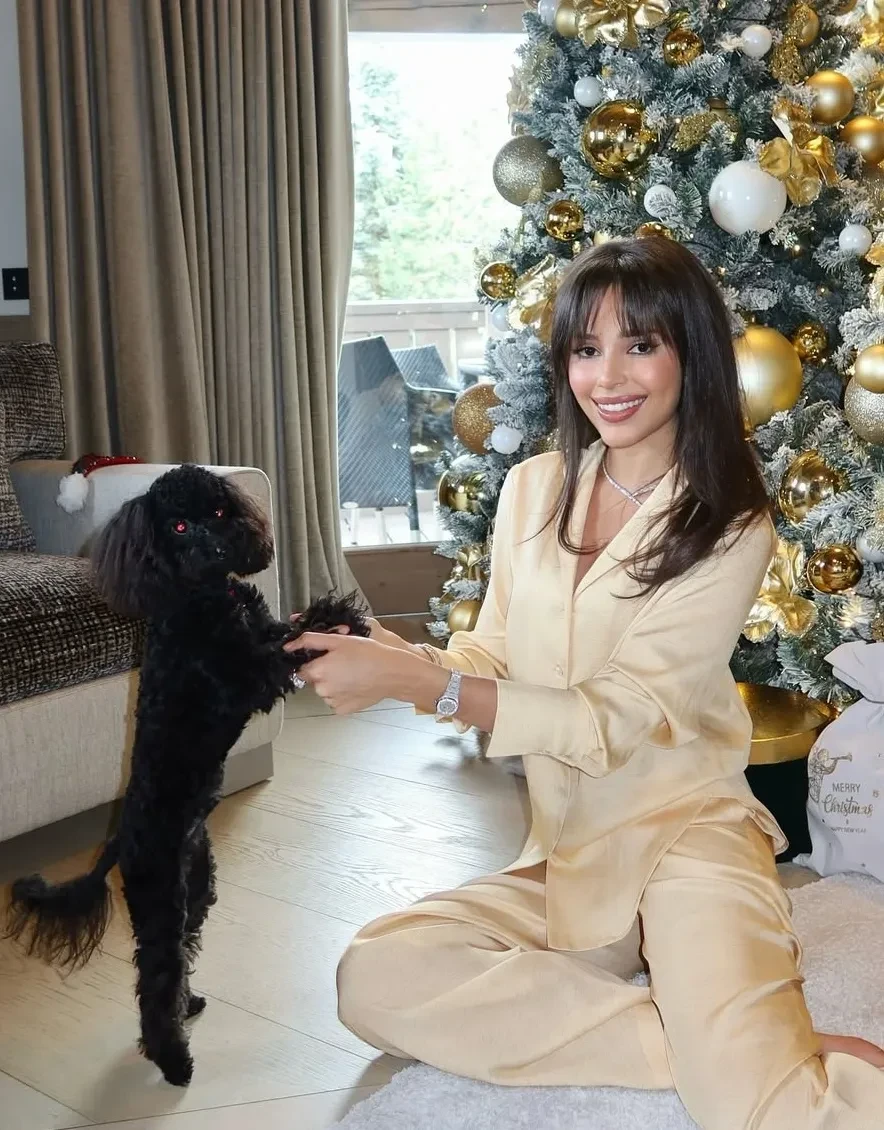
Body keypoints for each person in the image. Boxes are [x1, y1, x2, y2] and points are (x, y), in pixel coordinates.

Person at [288, 238, 884, 1130]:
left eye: (641, 345)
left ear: (691, 354)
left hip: (688, 841)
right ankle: (709, 1039)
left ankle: (745, 1050)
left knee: (763, 1107)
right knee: (375, 975)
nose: (608, 377)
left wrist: (420, 688)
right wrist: (398, 660)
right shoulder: (533, 489)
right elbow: (491, 655)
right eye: (585, 348)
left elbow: (615, 718)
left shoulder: (730, 522)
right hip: (568, 861)